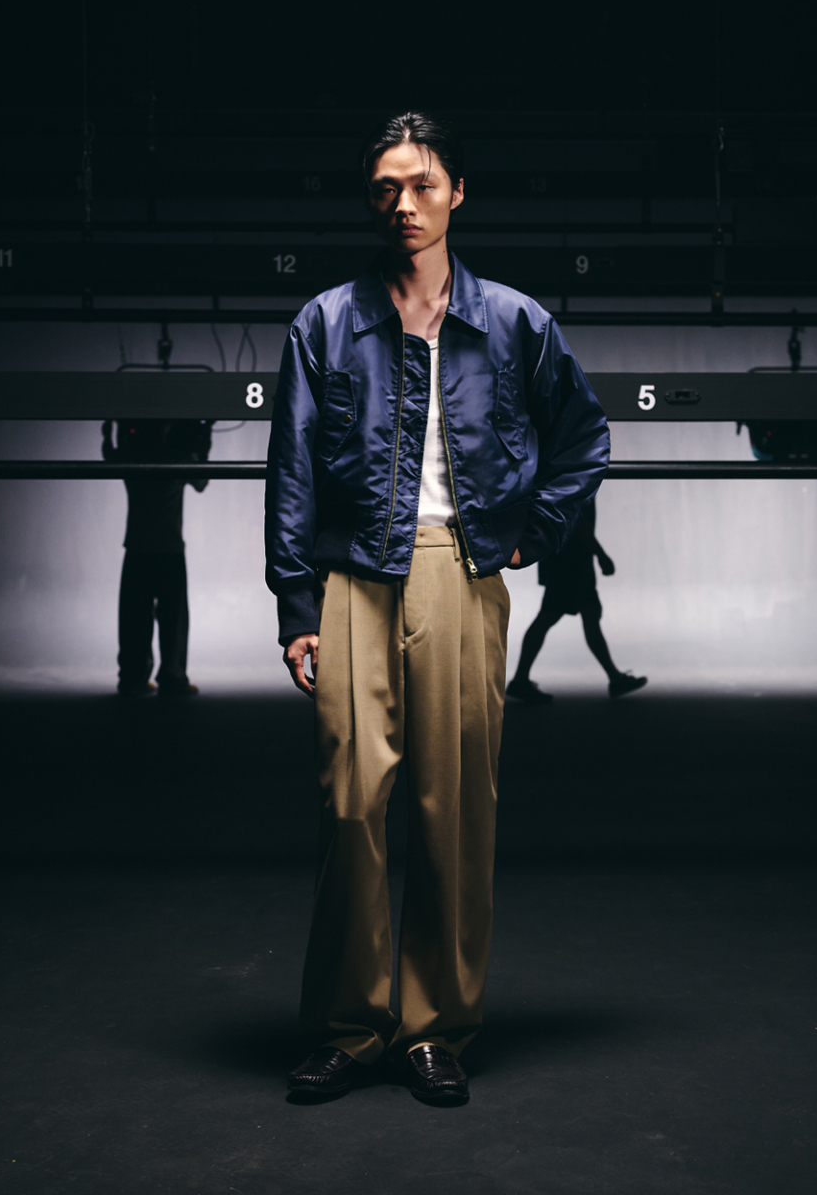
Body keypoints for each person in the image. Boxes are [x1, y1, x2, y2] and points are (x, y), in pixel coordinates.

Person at [264, 111, 609, 1106]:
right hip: (350, 579)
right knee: (349, 804)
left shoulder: (514, 323)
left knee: (453, 810)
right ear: (371, 201)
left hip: (460, 572)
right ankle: (348, 1027)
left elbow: (584, 437)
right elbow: (292, 471)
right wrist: (297, 604)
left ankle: (433, 1031)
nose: (404, 204)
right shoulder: (325, 323)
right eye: (386, 187)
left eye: (422, 184)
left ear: (458, 192)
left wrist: (530, 533)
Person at [102, 418, 212, 698]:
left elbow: (110, 456)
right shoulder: (177, 457)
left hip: (138, 547)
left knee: (134, 618)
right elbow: (201, 481)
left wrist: (111, 431)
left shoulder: (135, 455)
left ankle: (133, 677)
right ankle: (172, 677)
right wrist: (203, 438)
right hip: (169, 548)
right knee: (173, 620)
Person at [506, 499, 647, 702]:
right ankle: (520, 680)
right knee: (555, 616)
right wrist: (601, 554)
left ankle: (615, 678)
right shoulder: (579, 481)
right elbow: (577, 522)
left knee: (582, 614)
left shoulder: (567, 481)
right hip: (571, 563)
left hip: (565, 559)